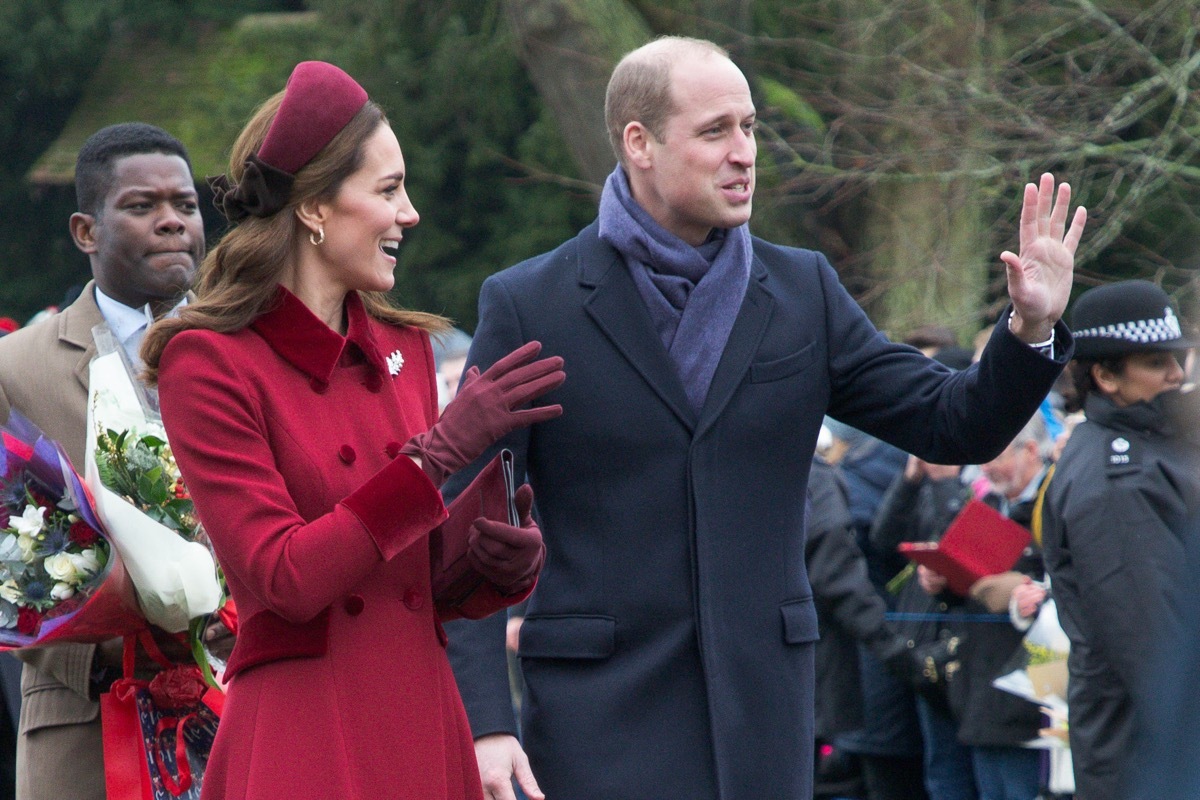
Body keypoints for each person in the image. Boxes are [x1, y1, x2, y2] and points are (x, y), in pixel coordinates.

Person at [445, 35, 1087, 800]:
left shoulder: (802, 290)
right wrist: (485, 721)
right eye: (716, 131)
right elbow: (466, 532)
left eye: (749, 127)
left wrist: (1030, 331)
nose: (744, 152)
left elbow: (954, 426)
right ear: (638, 143)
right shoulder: (530, 303)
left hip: (763, 719)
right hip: (597, 720)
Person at [141, 61, 564, 800]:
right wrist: (433, 461)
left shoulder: (406, 350)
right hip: (306, 730)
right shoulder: (207, 361)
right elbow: (285, 578)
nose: (411, 214)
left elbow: (414, 581)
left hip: (422, 715)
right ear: (313, 208)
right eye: (389, 189)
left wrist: (496, 566)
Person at [0, 122, 204, 800]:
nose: (173, 222)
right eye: (143, 206)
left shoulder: (253, 349)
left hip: (239, 700)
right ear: (86, 231)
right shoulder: (15, 367)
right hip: (84, 722)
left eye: (186, 205)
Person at [1039, 280, 1200, 800]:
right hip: (1150, 755)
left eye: (1179, 359)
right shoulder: (1117, 481)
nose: (1178, 375)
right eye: (1156, 364)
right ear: (1104, 375)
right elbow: (1155, 644)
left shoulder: (1154, 451)